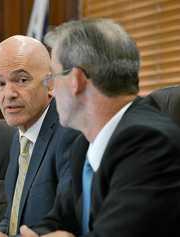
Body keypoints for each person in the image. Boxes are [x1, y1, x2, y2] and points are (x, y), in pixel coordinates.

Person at [18, 18, 180, 237]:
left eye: (52, 78)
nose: (51, 90)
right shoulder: (82, 145)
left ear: (76, 80)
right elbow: (57, 221)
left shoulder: (149, 144)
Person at [0, 35, 80, 237]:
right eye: (0, 83)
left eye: (21, 80)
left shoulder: (69, 132)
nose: (8, 94)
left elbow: (65, 225)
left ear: (50, 83)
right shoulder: (20, 136)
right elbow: (15, 215)